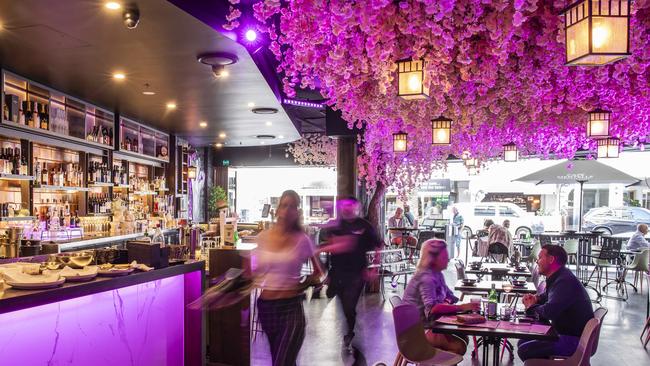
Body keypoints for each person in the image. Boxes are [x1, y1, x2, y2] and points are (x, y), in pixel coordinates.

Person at [254, 190, 323, 366]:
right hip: (266, 308)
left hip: (291, 307)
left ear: (297, 212)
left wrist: (301, 285)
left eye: (293, 206)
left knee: (281, 362)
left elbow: (318, 273)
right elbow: (255, 273)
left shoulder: (302, 240)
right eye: (285, 205)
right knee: (281, 358)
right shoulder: (263, 238)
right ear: (277, 210)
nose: (288, 210)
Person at [319, 197, 382, 348]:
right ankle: (349, 322)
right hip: (337, 271)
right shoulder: (335, 225)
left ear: (357, 207)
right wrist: (325, 272)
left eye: (350, 206)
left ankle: (350, 331)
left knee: (349, 304)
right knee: (343, 303)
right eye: (344, 206)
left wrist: (373, 268)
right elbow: (327, 248)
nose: (347, 208)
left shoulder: (364, 226)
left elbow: (378, 246)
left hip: (357, 272)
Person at [402, 239, 479, 355]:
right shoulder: (426, 278)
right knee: (459, 346)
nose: (447, 260)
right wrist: (462, 307)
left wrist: (447, 302)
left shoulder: (437, 274)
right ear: (433, 259)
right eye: (444, 257)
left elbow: (451, 296)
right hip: (416, 332)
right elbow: (432, 308)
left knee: (463, 336)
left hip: (427, 325)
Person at [518, 245, 594, 361]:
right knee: (523, 341)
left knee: (525, 350)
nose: (537, 261)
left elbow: (549, 312)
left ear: (551, 259)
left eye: (540, 257)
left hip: (574, 340)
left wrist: (531, 306)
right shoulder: (560, 276)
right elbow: (549, 296)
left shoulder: (564, 282)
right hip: (566, 334)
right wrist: (536, 298)